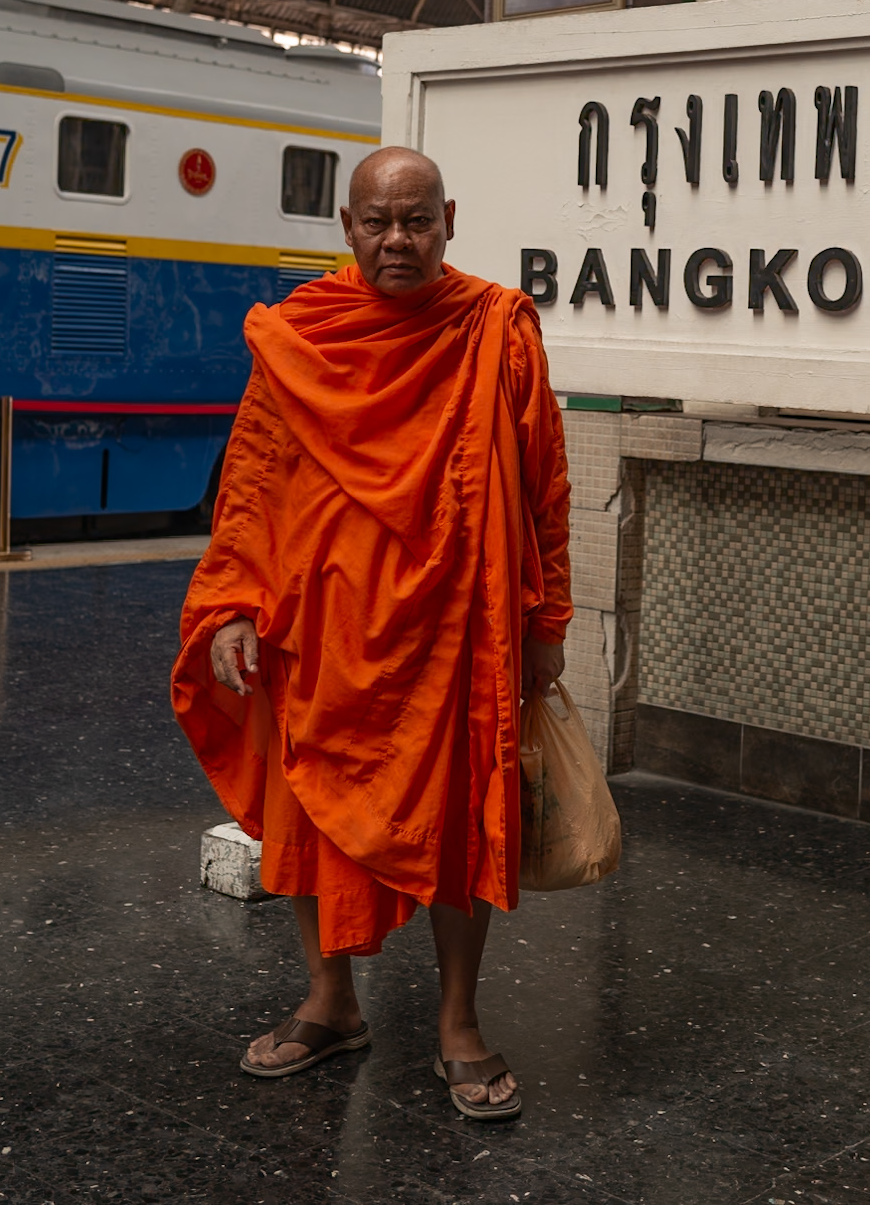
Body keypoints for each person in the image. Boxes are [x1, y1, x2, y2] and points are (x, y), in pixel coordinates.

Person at [170, 146, 571, 1120]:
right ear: (346, 228)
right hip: (318, 629)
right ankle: (328, 1001)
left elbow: (543, 481)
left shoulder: (495, 330)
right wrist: (228, 602)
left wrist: (546, 618)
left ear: (448, 220)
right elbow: (252, 480)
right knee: (305, 808)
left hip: (456, 632)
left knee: (458, 829)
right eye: (377, 222)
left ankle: (458, 1024)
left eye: (416, 220)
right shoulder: (302, 332)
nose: (397, 240)